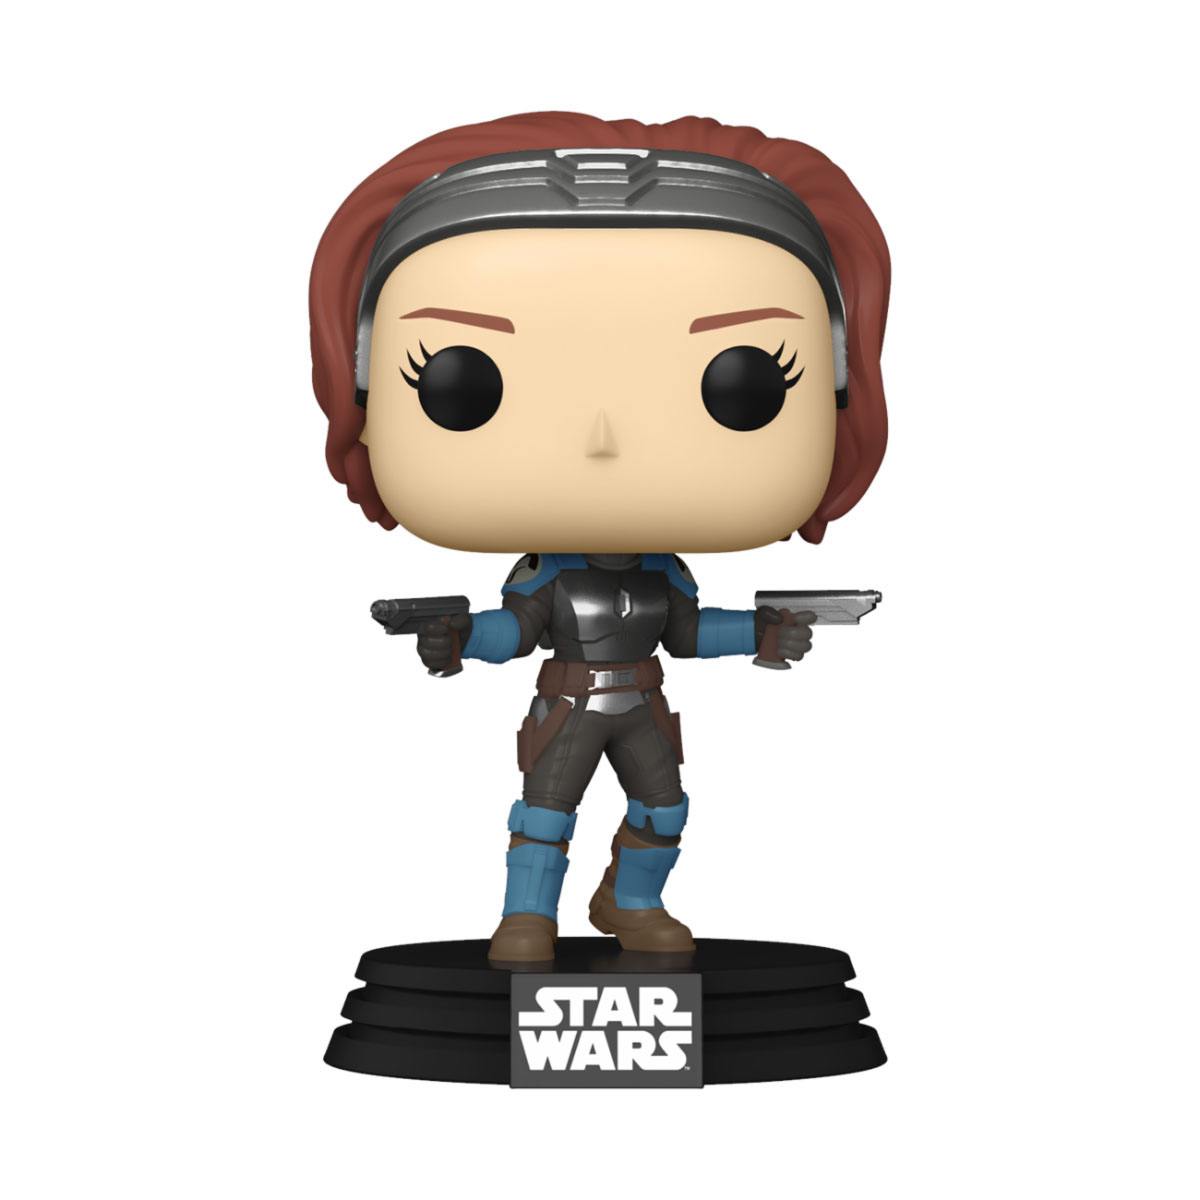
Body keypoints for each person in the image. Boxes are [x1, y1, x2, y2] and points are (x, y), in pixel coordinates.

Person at [309, 113, 890, 961]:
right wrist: (460, 637)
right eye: (459, 383)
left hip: (643, 700)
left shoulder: (666, 572)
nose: (603, 441)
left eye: (748, 384)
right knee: (545, 812)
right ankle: (527, 916)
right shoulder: (549, 573)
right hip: (571, 701)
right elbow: (518, 628)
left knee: (666, 809)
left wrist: (761, 633)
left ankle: (630, 900)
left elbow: (687, 631)